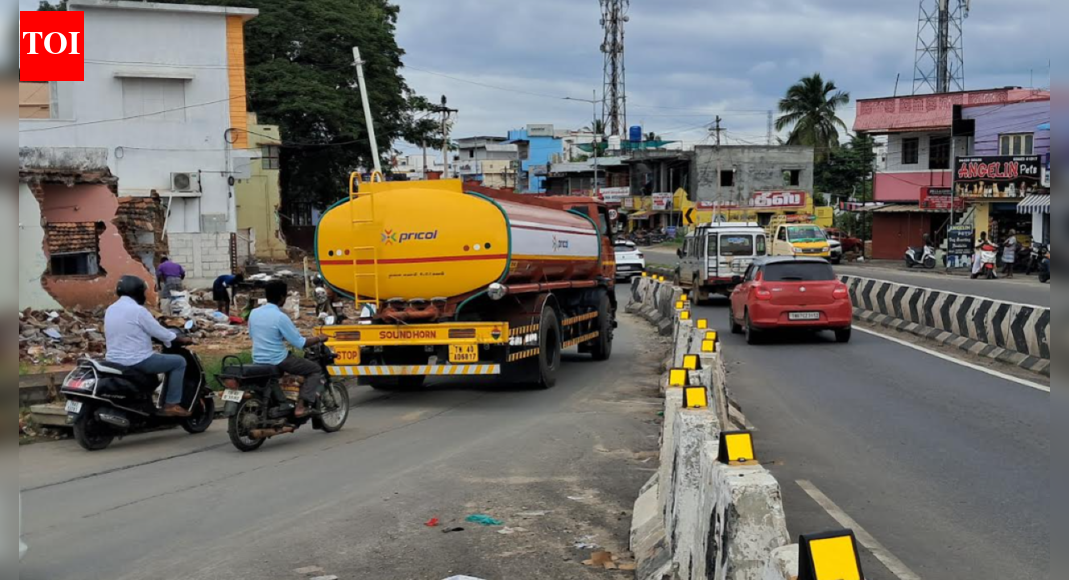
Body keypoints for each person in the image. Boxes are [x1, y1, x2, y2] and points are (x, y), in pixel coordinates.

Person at [104, 276, 194, 417]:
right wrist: (180, 339)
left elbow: (129, 330)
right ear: (137, 291)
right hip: (137, 360)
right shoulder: (138, 311)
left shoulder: (111, 309)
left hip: (113, 360)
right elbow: (158, 331)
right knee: (179, 362)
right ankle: (171, 404)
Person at [249, 280, 328, 419]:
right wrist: (319, 338)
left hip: (257, 358)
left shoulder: (254, 313)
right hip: (278, 359)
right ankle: (301, 406)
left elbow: (254, 334)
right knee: (314, 369)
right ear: (282, 298)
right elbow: (300, 343)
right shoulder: (280, 317)